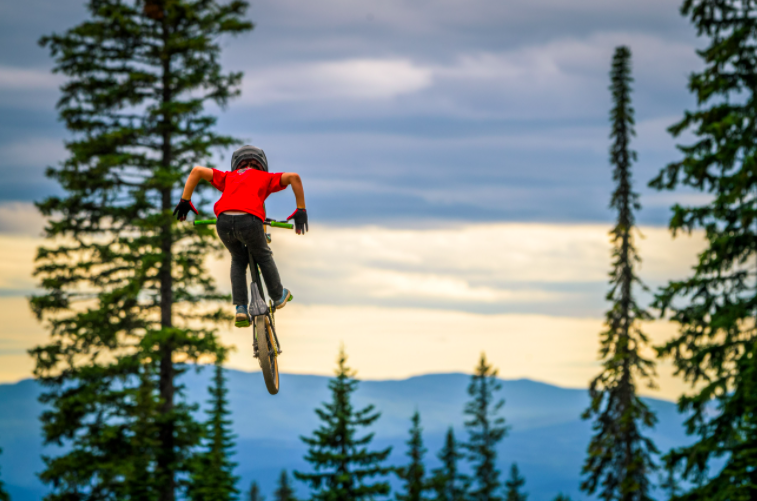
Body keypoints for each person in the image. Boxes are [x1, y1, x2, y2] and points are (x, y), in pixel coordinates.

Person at [173, 145, 308, 327]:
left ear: (236, 165)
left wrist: (185, 200)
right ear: (262, 164)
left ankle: (241, 308)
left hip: (223, 222)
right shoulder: (266, 177)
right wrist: (301, 209)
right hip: (250, 221)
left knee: (238, 259)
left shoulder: (229, 176)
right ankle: (277, 296)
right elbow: (294, 177)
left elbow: (197, 171)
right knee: (263, 255)